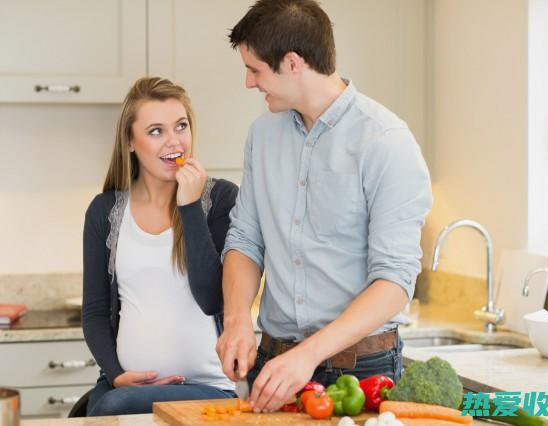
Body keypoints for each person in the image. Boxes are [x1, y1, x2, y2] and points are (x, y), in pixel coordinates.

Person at [216, 0, 433, 414]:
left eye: (255, 70)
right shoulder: (262, 136)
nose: (248, 82)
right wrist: (238, 318)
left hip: (363, 372)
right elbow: (245, 239)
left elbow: (394, 282)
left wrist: (308, 354)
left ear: (293, 63)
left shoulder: (386, 142)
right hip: (275, 365)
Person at [82, 77, 238, 416]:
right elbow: (94, 312)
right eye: (156, 131)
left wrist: (190, 207)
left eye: (181, 126)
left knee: (108, 409)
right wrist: (118, 376)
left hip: (209, 388)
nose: (174, 142)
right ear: (130, 142)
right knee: (104, 406)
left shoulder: (221, 198)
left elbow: (212, 298)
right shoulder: (105, 210)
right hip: (122, 387)